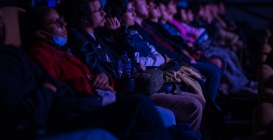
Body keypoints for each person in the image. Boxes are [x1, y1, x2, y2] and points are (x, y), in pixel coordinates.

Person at [0, 9, 172, 140]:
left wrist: (104, 80)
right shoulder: (40, 55)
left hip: (92, 100)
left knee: (161, 117)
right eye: (57, 23)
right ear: (41, 33)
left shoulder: (63, 52)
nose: (64, 24)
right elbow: (54, 87)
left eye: (63, 20)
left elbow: (84, 77)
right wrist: (52, 89)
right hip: (72, 112)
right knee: (140, 105)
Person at [62, 0, 204, 134]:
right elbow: (100, 67)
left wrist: (120, 34)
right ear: (83, 16)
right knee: (191, 106)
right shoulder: (79, 39)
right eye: (98, 10)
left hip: (132, 85)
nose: (104, 13)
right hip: (123, 91)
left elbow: (127, 57)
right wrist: (131, 65)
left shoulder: (99, 35)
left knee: (197, 99)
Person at [123, 0, 222, 102]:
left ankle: (212, 107)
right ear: (132, 5)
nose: (147, 6)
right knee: (212, 72)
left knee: (215, 68)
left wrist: (182, 50)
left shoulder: (146, 26)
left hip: (174, 57)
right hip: (168, 61)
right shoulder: (135, 30)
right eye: (142, 1)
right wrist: (182, 57)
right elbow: (158, 49)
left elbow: (166, 41)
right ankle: (210, 112)